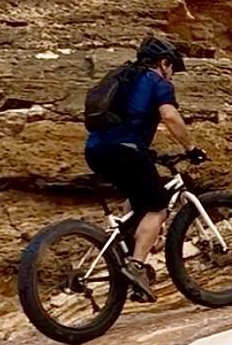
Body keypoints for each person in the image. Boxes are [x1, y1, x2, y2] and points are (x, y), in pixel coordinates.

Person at [84, 36, 207, 297]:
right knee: (157, 207)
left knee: (139, 194)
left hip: (95, 150)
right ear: (163, 63)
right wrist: (191, 148)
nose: (172, 73)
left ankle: (127, 247)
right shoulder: (157, 81)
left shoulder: (123, 78)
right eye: (172, 67)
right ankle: (137, 265)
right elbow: (170, 117)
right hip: (125, 150)